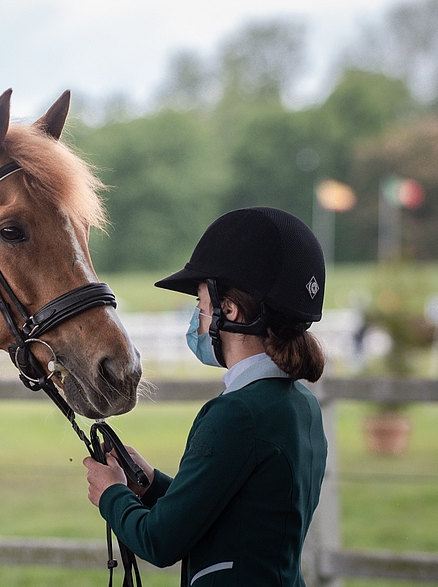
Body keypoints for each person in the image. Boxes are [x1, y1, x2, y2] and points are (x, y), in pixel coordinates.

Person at [84, 206, 329, 586]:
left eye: (200, 306)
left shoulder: (236, 414)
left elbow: (160, 542)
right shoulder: (302, 404)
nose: (196, 319)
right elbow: (231, 514)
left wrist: (111, 494)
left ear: (228, 311)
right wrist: (150, 483)